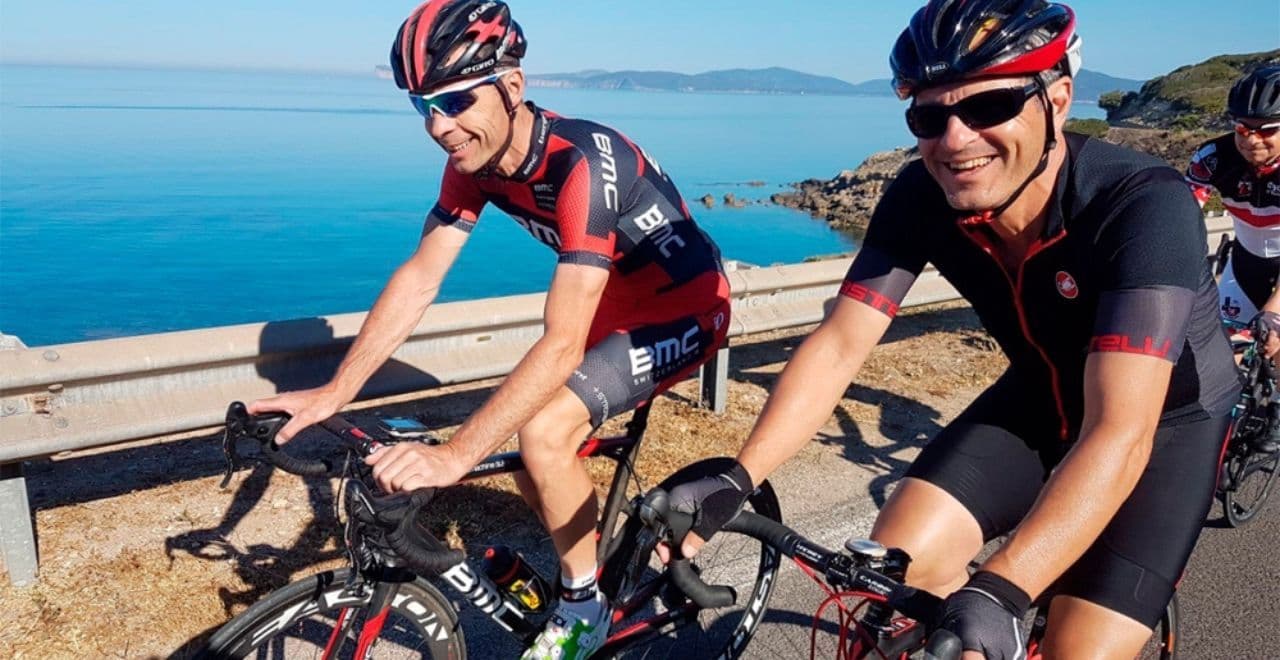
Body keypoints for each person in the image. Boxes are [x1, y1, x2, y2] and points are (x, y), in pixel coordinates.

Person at [666, 1, 1240, 658]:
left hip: (1164, 426)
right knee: (894, 573)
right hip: (1038, 397)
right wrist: (739, 476)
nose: (956, 139)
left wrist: (1004, 588)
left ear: (1058, 100)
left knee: (1074, 648)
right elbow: (841, 343)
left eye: (990, 106)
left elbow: (1120, 430)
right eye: (928, 117)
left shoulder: (1142, 204)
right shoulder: (920, 195)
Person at [249, 2, 730, 657]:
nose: (439, 126)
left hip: (686, 307)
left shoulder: (584, 164)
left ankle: (584, 609)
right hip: (613, 304)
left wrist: (454, 456)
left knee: (543, 433)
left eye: (456, 101)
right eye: (424, 106)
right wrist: (336, 392)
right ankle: (593, 556)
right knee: (535, 457)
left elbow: (561, 341)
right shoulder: (473, 160)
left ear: (512, 87)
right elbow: (421, 275)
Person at [1187, 65, 1280, 356]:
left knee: (1276, 348)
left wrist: (1274, 313)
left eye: (1267, 130)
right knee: (1224, 356)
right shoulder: (1214, 158)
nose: (1252, 140)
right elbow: (1178, 219)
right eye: (1242, 129)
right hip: (1244, 264)